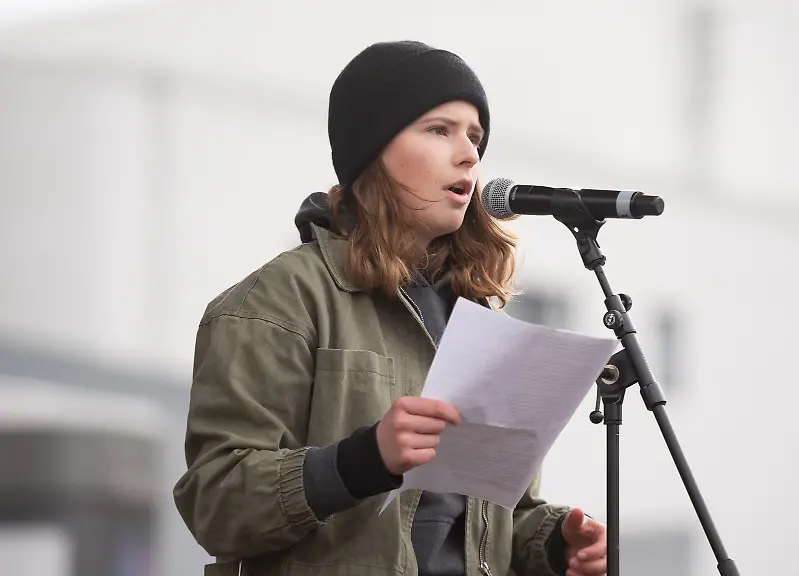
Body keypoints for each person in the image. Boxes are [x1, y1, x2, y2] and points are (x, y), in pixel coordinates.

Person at [172, 40, 608, 576]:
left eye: (475, 137)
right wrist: (363, 460)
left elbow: (487, 518)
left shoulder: (479, 319)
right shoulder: (277, 301)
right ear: (372, 151)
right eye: (438, 130)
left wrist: (554, 544)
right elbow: (215, 504)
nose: (469, 153)